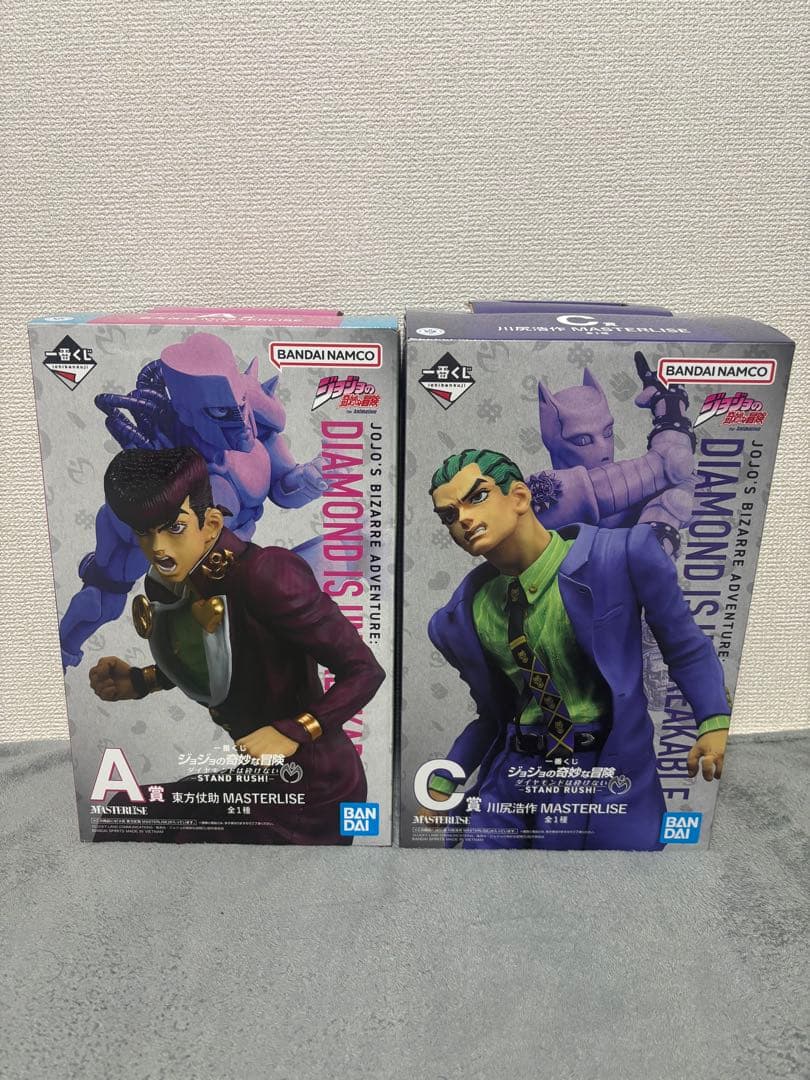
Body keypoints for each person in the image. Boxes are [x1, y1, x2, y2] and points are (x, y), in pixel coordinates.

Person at [423, 448, 729, 850]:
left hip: (596, 768)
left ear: (519, 496)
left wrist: (713, 719)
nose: (462, 519)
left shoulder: (622, 555)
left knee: (588, 880)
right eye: (449, 515)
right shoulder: (462, 616)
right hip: (512, 774)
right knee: (480, 878)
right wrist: (445, 778)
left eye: (477, 497)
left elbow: (683, 644)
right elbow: (492, 715)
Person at [89, 445, 384, 844]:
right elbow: (226, 658)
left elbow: (364, 670)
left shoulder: (267, 574)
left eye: (174, 528)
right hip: (259, 780)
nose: (158, 548)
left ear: (210, 523)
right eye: (145, 533)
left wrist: (293, 732)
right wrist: (143, 680)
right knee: (125, 813)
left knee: (182, 845)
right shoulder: (174, 578)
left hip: (316, 792)